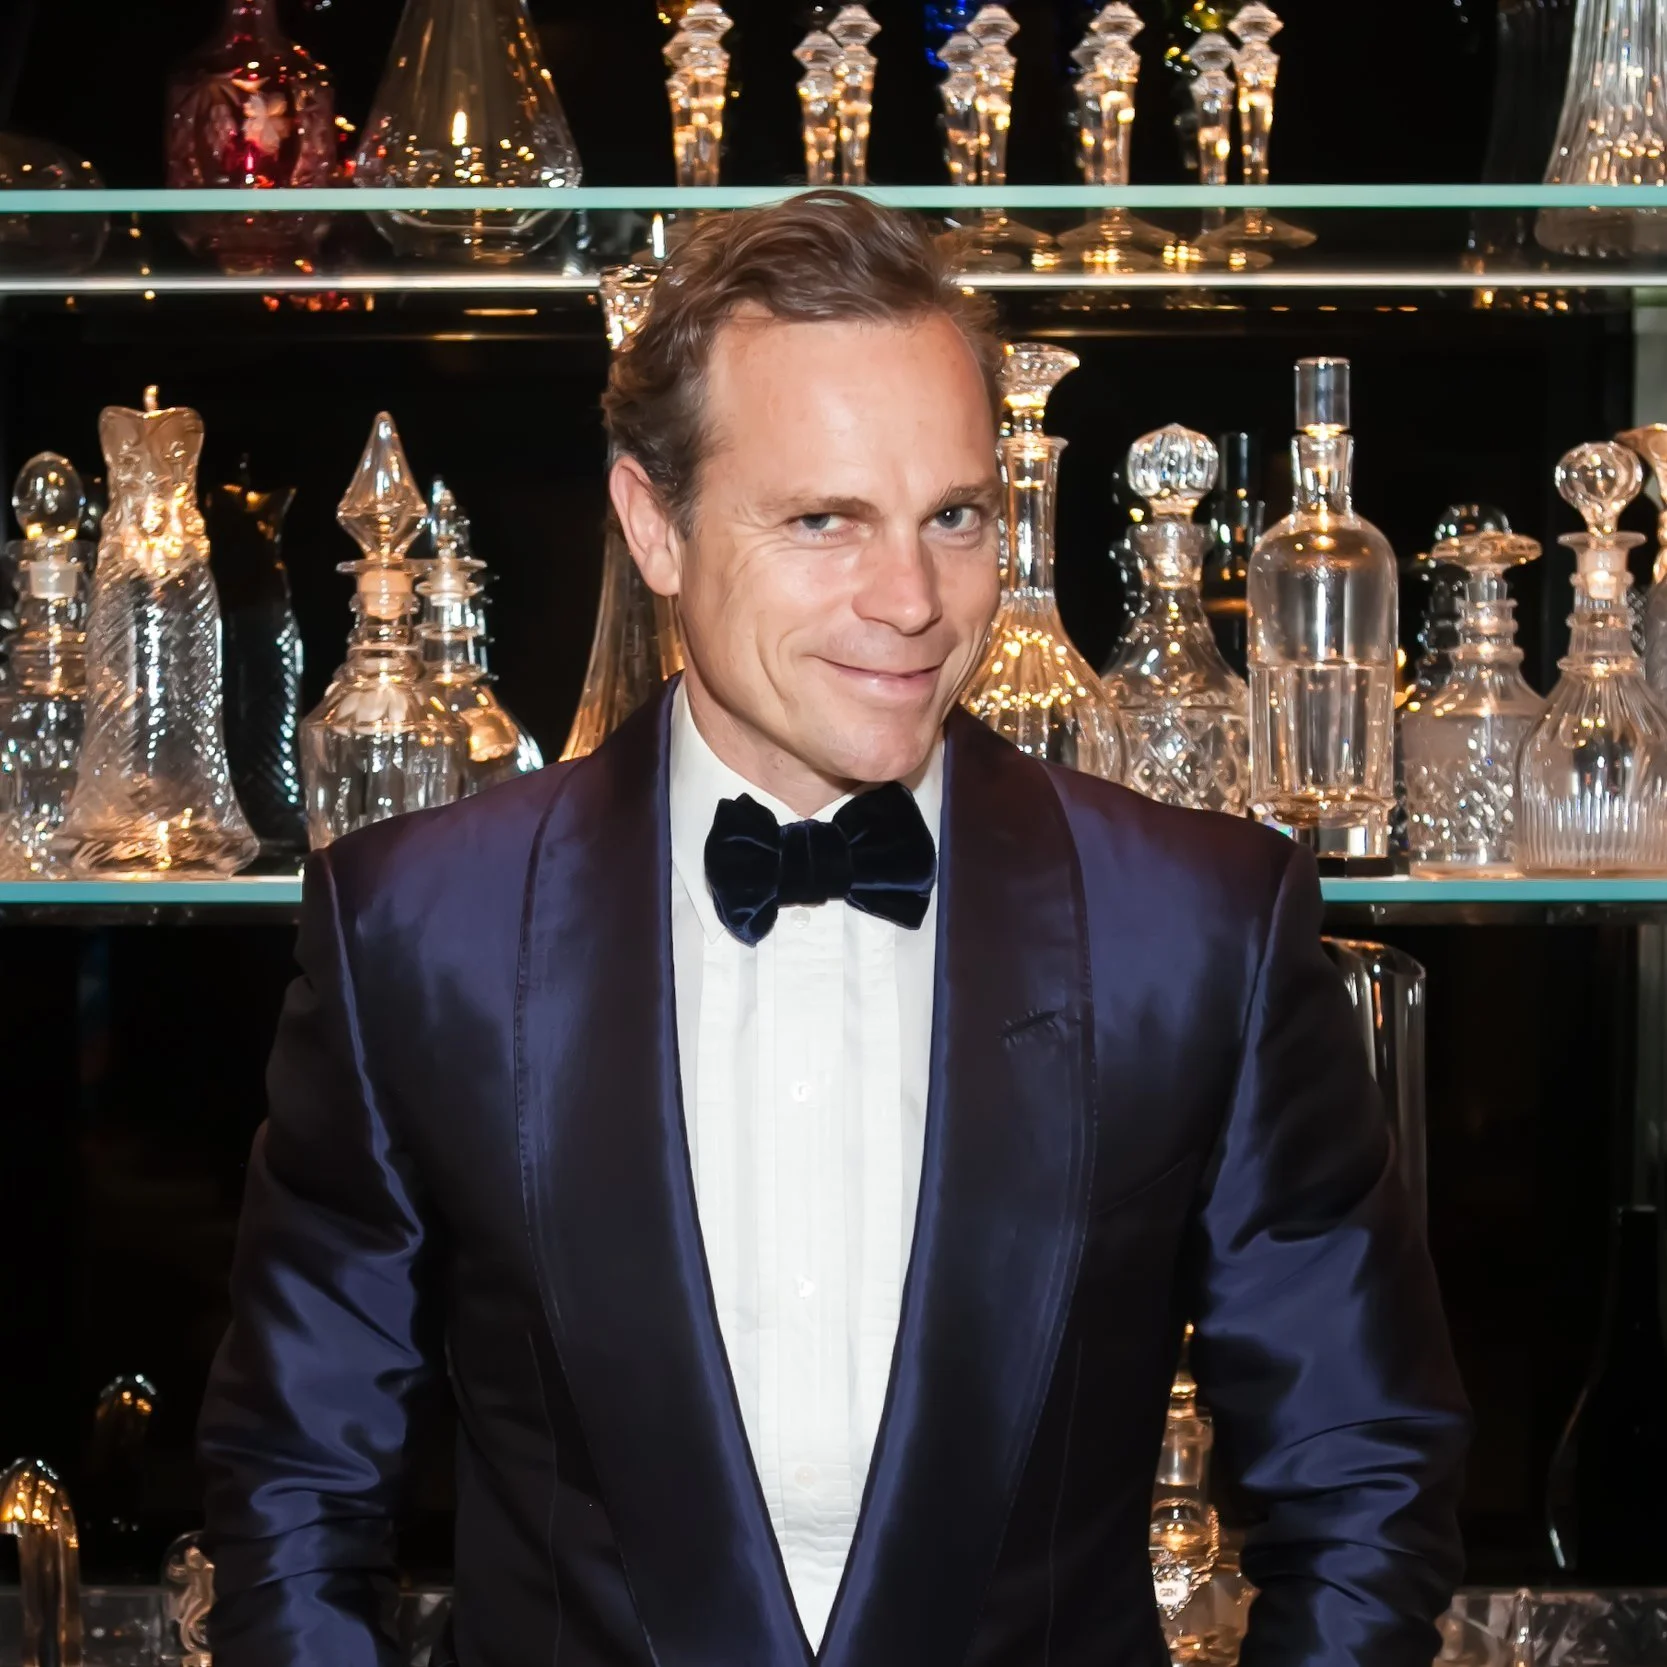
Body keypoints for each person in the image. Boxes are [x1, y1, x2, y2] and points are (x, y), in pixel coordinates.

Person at [199, 190, 1468, 1667]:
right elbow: (294, 1490)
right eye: (822, 521)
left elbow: (1363, 1478)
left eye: (955, 517)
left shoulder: (1198, 927)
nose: (912, 601)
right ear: (653, 526)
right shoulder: (419, 931)